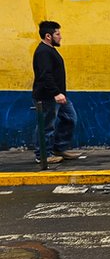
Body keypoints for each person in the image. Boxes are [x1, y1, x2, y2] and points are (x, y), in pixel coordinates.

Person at [32, 21, 83, 164]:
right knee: (46, 125)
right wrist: (56, 93)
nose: (60, 37)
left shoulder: (50, 50)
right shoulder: (43, 52)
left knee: (70, 118)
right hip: (48, 96)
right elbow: (45, 75)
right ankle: (42, 155)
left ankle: (59, 148)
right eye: (57, 34)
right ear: (48, 36)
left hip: (59, 95)